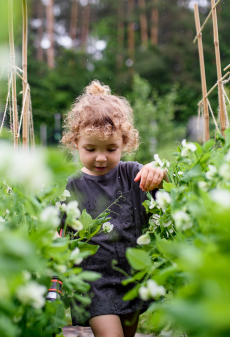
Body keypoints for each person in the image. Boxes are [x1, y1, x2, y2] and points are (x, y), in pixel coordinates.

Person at [60, 80, 167, 337]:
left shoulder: (133, 173)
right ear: (75, 143)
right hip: (94, 280)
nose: (100, 157)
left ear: (125, 143)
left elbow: (163, 186)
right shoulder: (74, 184)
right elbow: (60, 227)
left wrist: (158, 171)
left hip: (131, 275)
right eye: (90, 149)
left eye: (111, 149)